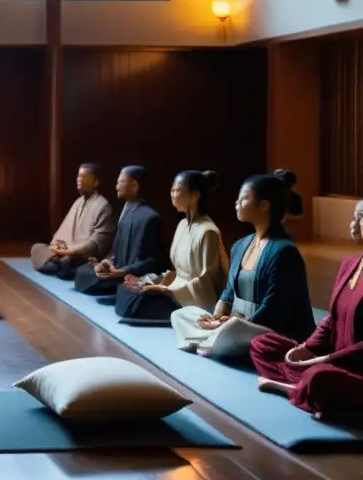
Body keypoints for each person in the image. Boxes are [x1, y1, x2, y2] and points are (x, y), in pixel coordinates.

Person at [170, 175, 315, 359]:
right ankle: (214, 341)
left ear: (264, 205)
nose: (237, 202)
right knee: (182, 314)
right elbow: (228, 293)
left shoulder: (284, 252)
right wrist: (215, 319)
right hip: (236, 325)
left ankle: (213, 340)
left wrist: (230, 324)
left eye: (244, 198)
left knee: (233, 328)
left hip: (270, 331)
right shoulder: (240, 245)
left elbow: (275, 310)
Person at [249, 209, 363, 425]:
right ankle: (310, 394)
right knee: (262, 345)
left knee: (319, 378)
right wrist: (306, 348)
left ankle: (297, 391)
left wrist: (325, 359)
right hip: (329, 361)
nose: (356, 221)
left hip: (353, 370)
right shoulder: (350, 263)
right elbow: (333, 318)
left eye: (362, 216)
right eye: (356, 215)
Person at [113, 170, 227, 321]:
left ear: (195, 196)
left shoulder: (208, 231)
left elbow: (205, 281)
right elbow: (177, 272)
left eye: (178, 190)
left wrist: (168, 290)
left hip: (193, 300)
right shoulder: (182, 224)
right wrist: (148, 281)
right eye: (172, 190)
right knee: (125, 290)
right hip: (174, 290)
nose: (173, 194)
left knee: (135, 302)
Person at [72, 166, 164, 297]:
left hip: (131, 275)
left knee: (94, 278)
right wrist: (105, 263)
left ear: (134, 186)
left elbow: (151, 261)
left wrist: (121, 272)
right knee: (83, 271)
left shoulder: (150, 217)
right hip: (116, 270)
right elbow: (116, 250)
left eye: (120, 182)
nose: (116, 186)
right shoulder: (126, 210)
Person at [31, 163, 115, 279]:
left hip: (81, 256)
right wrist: (56, 247)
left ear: (95, 182)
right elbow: (63, 232)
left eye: (84, 177)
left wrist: (71, 251)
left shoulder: (103, 206)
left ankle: (58, 267)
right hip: (65, 252)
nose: (79, 180)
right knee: (37, 248)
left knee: (68, 261)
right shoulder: (78, 202)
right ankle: (58, 266)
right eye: (78, 176)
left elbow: (97, 243)